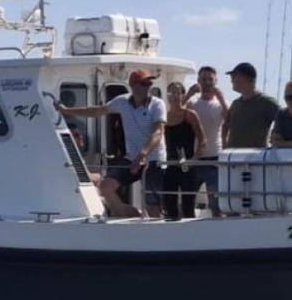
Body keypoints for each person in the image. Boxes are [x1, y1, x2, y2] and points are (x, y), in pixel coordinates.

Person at [57, 69, 166, 218]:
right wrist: (68, 111)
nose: (148, 86)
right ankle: (130, 215)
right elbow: (98, 111)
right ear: (133, 86)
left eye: (149, 83)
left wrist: (142, 155)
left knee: (151, 203)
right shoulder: (122, 102)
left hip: (154, 160)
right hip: (131, 158)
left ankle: (156, 235)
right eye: (144, 83)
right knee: (106, 186)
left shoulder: (157, 104)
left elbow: (158, 133)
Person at [184, 66, 227, 216]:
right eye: (204, 79)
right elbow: (176, 114)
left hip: (214, 159)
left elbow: (231, 120)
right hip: (195, 159)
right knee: (187, 201)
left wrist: (221, 98)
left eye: (210, 79)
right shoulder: (192, 103)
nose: (207, 83)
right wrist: (188, 94)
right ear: (198, 81)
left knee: (216, 203)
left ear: (216, 81)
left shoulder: (221, 104)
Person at [163, 82, 206, 220]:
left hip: (187, 166)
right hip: (171, 165)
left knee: (188, 205)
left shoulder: (190, 115)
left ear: (183, 95)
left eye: (177, 92)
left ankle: (192, 236)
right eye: (170, 92)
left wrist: (193, 160)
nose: (173, 96)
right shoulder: (164, 116)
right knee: (169, 202)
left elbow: (202, 140)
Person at [222, 62, 280, 149]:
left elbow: (284, 121)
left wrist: (275, 140)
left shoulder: (267, 102)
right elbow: (226, 125)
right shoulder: (235, 103)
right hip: (233, 157)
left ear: (247, 78)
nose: (231, 80)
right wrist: (224, 143)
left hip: (254, 158)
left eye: (234, 76)